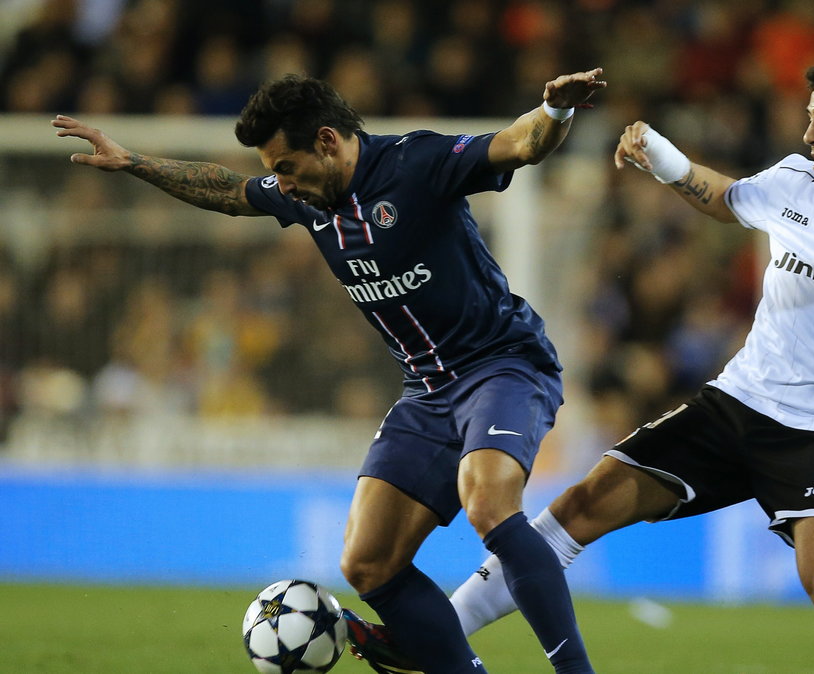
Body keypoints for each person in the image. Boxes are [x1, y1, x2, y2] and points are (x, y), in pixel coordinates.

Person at [53, 68, 606, 674]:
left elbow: (518, 144)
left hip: (502, 365)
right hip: (426, 390)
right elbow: (226, 192)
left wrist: (554, 112)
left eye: (285, 167)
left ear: (326, 141)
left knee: (489, 502)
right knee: (369, 564)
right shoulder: (307, 198)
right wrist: (133, 162)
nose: (280, 185)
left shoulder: (416, 163)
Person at [449, 55, 814, 674]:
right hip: (741, 399)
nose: (810, 133)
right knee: (581, 504)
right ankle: (436, 635)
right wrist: (664, 158)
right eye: (809, 117)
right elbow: (729, 199)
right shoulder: (793, 179)